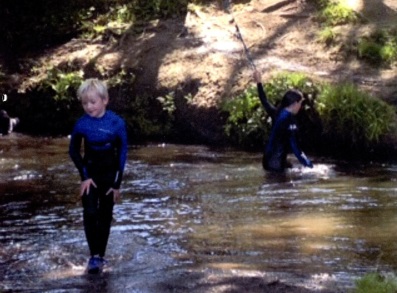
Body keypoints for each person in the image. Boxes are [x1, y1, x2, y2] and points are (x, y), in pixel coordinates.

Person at [69, 79, 128, 274]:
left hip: (110, 176)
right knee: (90, 212)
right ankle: (93, 256)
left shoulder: (116, 123)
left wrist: (117, 184)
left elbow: (122, 152)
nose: (88, 107)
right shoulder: (82, 124)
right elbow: (74, 151)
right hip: (90, 175)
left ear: (105, 100)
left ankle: (100, 256)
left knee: (105, 216)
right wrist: (84, 176)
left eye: (93, 102)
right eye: (85, 103)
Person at [253, 70, 313, 172]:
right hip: (276, 164)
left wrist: (259, 82)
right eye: (300, 103)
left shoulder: (276, 112)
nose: (300, 106)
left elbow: (264, 100)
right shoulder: (289, 120)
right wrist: (310, 166)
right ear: (294, 103)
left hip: (267, 160)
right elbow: (295, 147)